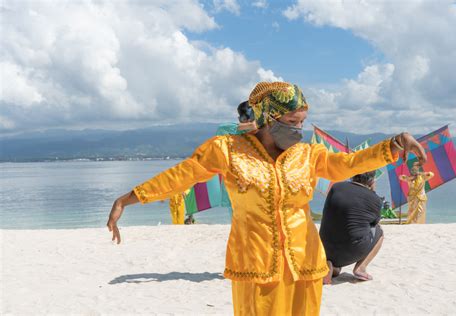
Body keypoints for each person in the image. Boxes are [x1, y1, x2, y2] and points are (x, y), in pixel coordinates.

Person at [107, 81, 427, 315]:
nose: (299, 130)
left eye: (301, 123)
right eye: (291, 123)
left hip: (305, 263)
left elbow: (349, 164)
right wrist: (128, 199)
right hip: (255, 264)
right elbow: (182, 176)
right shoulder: (228, 150)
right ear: (267, 118)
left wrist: (394, 145)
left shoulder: (308, 155)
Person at [320, 171, 384, 284]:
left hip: (326, 249)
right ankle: (361, 268)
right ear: (372, 181)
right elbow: (374, 223)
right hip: (351, 251)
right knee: (379, 231)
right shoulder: (375, 199)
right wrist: (372, 192)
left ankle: (330, 265)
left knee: (338, 224)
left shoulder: (337, 187)